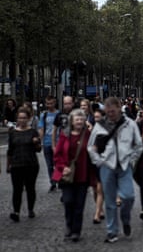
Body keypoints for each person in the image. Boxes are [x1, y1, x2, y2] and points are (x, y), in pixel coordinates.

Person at [87, 97, 143, 243]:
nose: (111, 113)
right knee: (110, 201)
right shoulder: (100, 126)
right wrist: (99, 162)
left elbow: (139, 145)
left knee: (129, 196)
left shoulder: (129, 124)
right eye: (108, 111)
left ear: (119, 108)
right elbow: (91, 146)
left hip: (124, 166)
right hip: (107, 166)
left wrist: (132, 159)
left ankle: (125, 218)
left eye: (113, 110)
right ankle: (112, 231)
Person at [52, 109, 95, 242]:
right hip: (67, 174)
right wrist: (61, 167)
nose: (79, 122)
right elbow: (57, 154)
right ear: (71, 121)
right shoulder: (65, 135)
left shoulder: (88, 135)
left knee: (79, 205)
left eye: (81, 119)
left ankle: (76, 230)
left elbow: (93, 153)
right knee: (68, 201)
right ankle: (68, 226)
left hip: (83, 174)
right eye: (77, 119)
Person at [7, 107, 41, 222]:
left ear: (28, 119)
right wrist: (8, 165)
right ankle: (16, 212)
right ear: (17, 118)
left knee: (30, 188)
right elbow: (10, 150)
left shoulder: (33, 132)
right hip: (16, 165)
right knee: (17, 189)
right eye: (20, 118)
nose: (22, 120)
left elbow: (38, 149)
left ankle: (30, 209)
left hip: (31, 164)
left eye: (24, 118)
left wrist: (36, 143)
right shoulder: (13, 133)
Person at [38, 95, 60, 192]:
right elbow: (41, 129)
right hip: (47, 142)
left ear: (54, 103)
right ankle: (53, 183)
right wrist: (40, 141)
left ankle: (59, 180)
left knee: (58, 164)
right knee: (49, 165)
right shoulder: (44, 115)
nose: (49, 105)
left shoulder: (59, 114)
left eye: (51, 103)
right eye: (47, 103)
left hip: (58, 142)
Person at [92, 109, 105, 224]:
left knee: (100, 188)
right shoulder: (92, 129)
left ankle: (98, 212)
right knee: (97, 189)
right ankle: (99, 211)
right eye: (95, 117)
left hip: (106, 162)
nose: (96, 120)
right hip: (95, 162)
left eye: (98, 117)